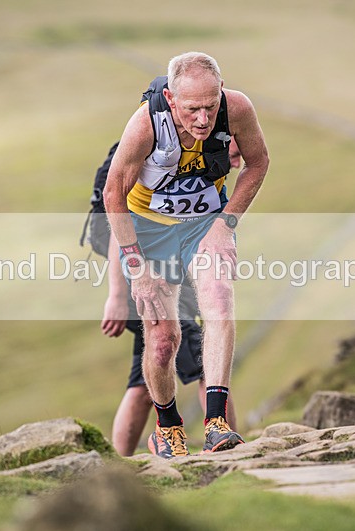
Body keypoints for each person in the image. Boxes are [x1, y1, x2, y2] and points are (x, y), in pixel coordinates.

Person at [103, 52, 269, 458]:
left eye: (211, 106)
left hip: (203, 224)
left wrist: (225, 224)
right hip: (148, 230)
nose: (203, 119)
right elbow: (112, 194)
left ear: (221, 92)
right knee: (163, 339)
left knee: (219, 301)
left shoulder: (237, 108)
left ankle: (216, 424)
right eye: (193, 109)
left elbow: (258, 162)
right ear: (172, 100)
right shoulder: (146, 124)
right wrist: (136, 270)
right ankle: (168, 428)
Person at [101, 141, 243, 457]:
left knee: (145, 377)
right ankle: (220, 443)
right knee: (190, 356)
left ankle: (122, 462)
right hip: (144, 267)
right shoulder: (151, 152)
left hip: (173, 263)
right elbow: (119, 221)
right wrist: (117, 295)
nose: (235, 164)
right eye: (234, 155)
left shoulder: (205, 151)